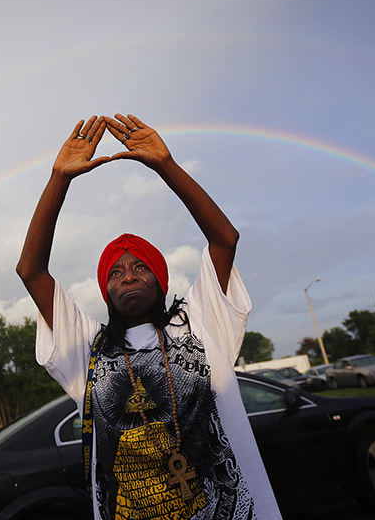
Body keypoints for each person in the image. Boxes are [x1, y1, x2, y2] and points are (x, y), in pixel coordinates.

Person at [17, 114, 281, 520]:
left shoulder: (199, 322)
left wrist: (165, 165)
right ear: (106, 292)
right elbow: (31, 271)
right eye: (116, 272)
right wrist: (59, 178)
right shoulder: (87, 348)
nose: (128, 276)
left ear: (160, 281)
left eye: (140, 267)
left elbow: (224, 238)